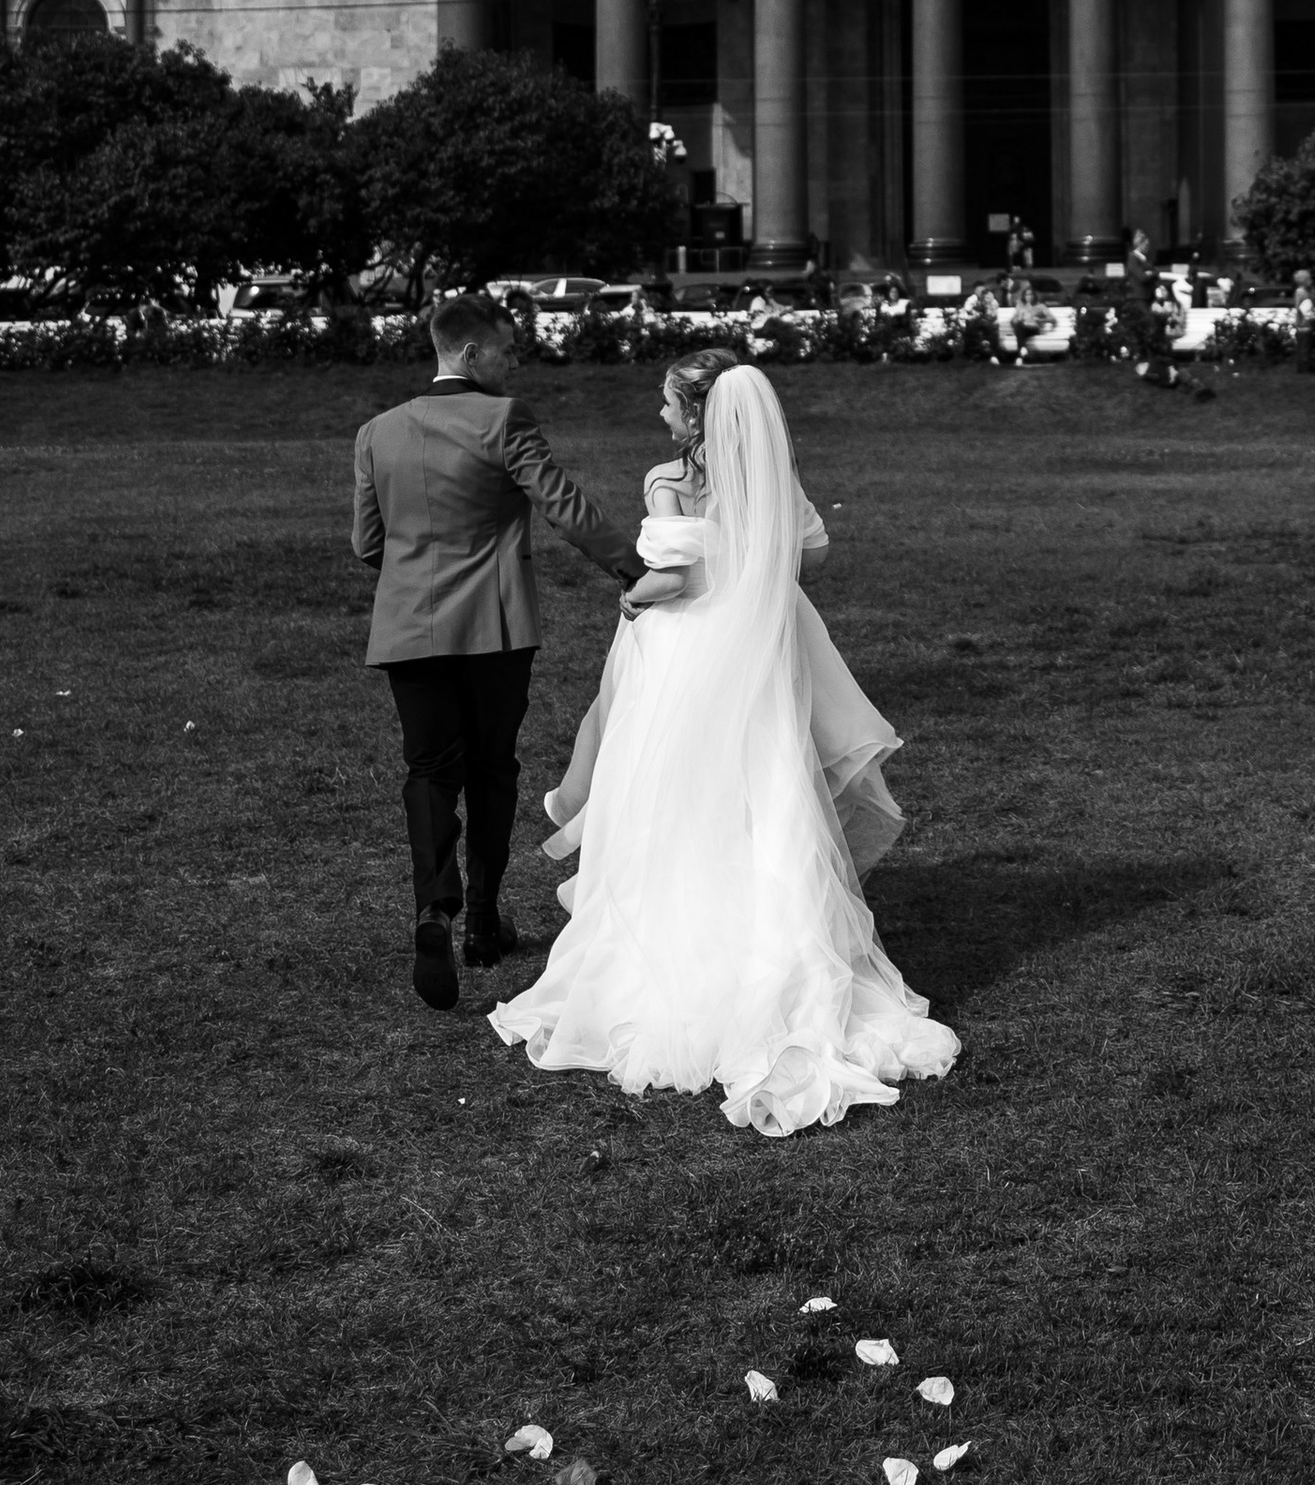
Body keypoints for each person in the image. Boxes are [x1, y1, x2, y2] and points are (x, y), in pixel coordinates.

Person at [490, 354, 959, 1138]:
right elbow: (809, 557)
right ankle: (777, 967)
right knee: (764, 805)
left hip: (685, 662)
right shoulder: (774, 480)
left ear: (697, 415)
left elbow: (668, 580)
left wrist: (632, 598)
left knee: (671, 806)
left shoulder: (665, 479)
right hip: (759, 664)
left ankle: (672, 980)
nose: (662, 418)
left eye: (670, 406)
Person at [351, 289, 645, 1012]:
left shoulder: (376, 432)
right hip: (494, 630)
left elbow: (367, 544)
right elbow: (563, 503)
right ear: (472, 352)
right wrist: (633, 565)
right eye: (508, 351)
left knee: (428, 770)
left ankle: (434, 912)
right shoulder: (503, 418)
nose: (514, 364)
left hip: (407, 632)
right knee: (491, 769)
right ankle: (483, 919)